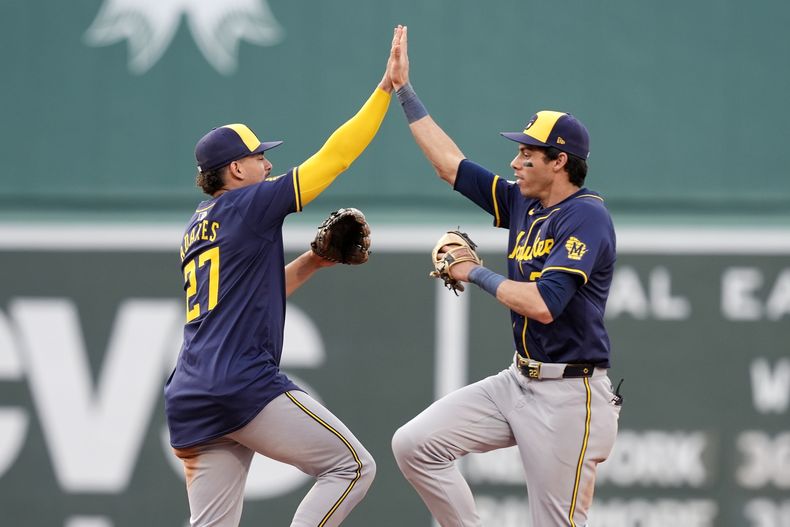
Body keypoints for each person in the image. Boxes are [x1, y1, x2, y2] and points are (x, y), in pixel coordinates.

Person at [387, 26, 622, 527]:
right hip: (518, 380)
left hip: (570, 396)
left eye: (527, 155)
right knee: (415, 445)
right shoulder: (523, 201)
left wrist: (472, 271)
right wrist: (403, 92)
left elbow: (544, 304)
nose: (515, 162)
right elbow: (450, 166)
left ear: (559, 162)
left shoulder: (586, 216)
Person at [164, 34, 397, 527]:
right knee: (352, 467)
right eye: (258, 157)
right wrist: (383, 92)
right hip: (241, 381)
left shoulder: (196, 226)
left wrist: (312, 262)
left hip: (191, 392)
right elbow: (334, 159)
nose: (267, 164)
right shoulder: (250, 204)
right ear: (235, 169)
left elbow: (247, 296)